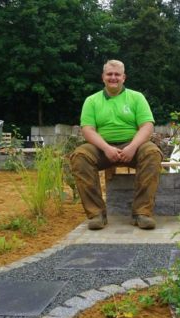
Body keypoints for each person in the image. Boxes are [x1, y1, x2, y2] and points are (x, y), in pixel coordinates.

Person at [70, 60, 163, 230]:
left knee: (152, 152)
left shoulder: (137, 97)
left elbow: (147, 126)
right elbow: (88, 130)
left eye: (117, 74)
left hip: (132, 145)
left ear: (124, 77)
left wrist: (132, 147)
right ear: (103, 77)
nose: (113, 77)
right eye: (109, 74)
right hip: (101, 147)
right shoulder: (92, 101)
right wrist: (106, 148)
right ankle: (96, 214)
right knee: (80, 156)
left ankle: (142, 213)